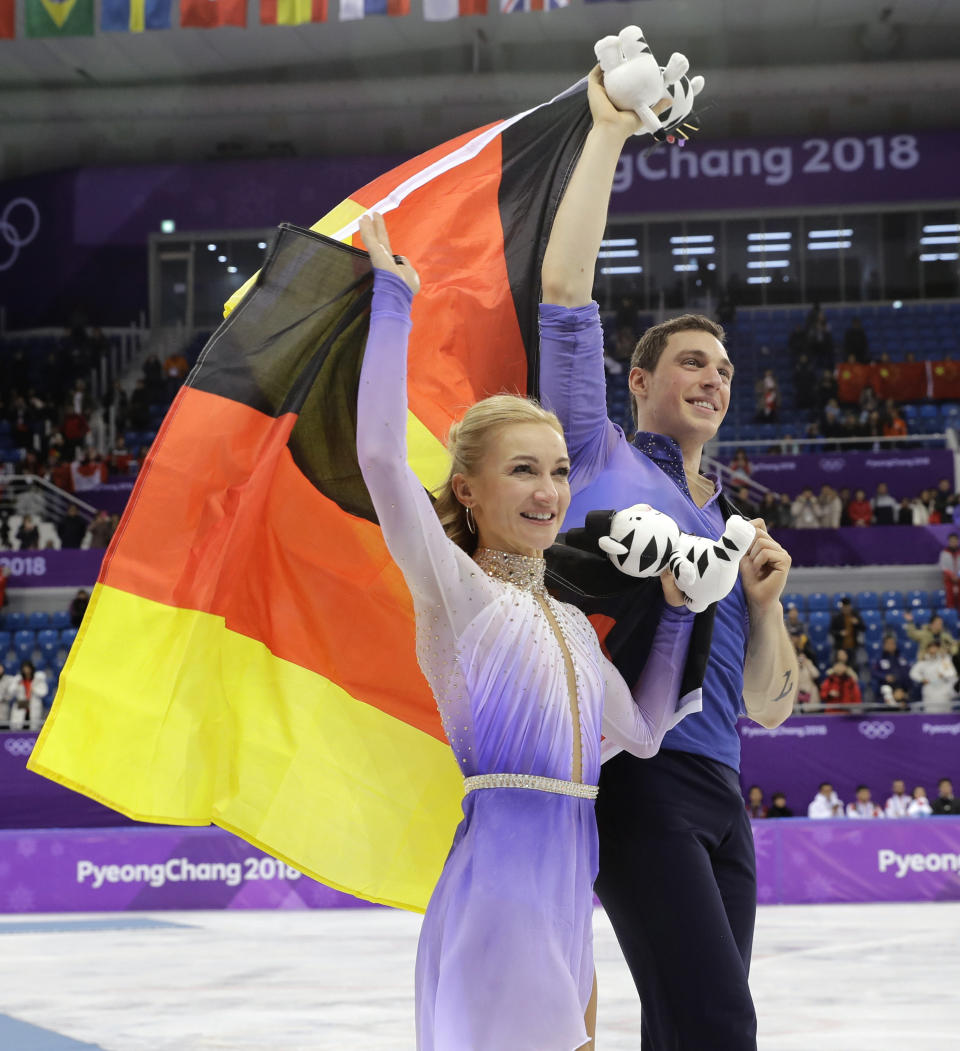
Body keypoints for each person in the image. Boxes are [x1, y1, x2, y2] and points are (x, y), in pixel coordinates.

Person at [355, 211, 702, 1051]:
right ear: (468, 490)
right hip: (502, 893)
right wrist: (393, 300)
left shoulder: (576, 628)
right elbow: (379, 461)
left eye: (555, 471)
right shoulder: (458, 590)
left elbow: (645, 734)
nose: (548, 490)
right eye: (522, 470)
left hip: (564, 895)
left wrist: (680, 613)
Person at [538, 68, 796, 1051]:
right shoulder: (598, 456)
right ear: (639, 379)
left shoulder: (737, 524)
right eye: (694, 361)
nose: (714, 379)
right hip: (638, 779)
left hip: (724, 796)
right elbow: (565, 292)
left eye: (725, 370)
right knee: (719, 1021)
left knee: (696, 1030)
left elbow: (771, 707)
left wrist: (766, 606)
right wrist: (606, 129)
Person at [908, 641, 956, 713]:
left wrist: (944, 674)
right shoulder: (923, 662)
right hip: (929, 691)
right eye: (931, 647)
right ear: (927, 649)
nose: (934, 649)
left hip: (943, 692)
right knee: (930, 714)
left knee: (946, 715)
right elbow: (913, 673)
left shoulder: (945, 660)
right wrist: (922, 679)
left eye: (936, 647)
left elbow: (953, 674)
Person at [3, 660, 48, 731]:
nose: (26, 671)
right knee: (19, 727)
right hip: (21, 706)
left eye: (28, 668)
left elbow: (43, 692)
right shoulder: (18, 679)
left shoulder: (38, 679)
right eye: (25, 669)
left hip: (33, 706)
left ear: (31, 669)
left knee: (33, 728)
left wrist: (33, 689)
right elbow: (11, 692)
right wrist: (16, 683)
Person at [939, 532, 960, 612]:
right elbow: (943, 567)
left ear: (958, 541)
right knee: (950, 599)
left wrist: (958, 576)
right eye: (951, 541)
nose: (953, 543)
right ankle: (951, 617)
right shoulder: (944, 553)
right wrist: (952, 576)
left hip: (959, 579)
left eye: (955, 541)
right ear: (949, 542)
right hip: (949, 580)